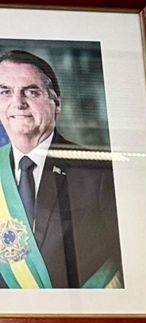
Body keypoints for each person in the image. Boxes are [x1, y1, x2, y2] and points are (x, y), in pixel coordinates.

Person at [0, 49, 122, 289]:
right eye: (5, 92)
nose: (18, 103)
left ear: (56, 104)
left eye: (31, 92)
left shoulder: (99, 172)